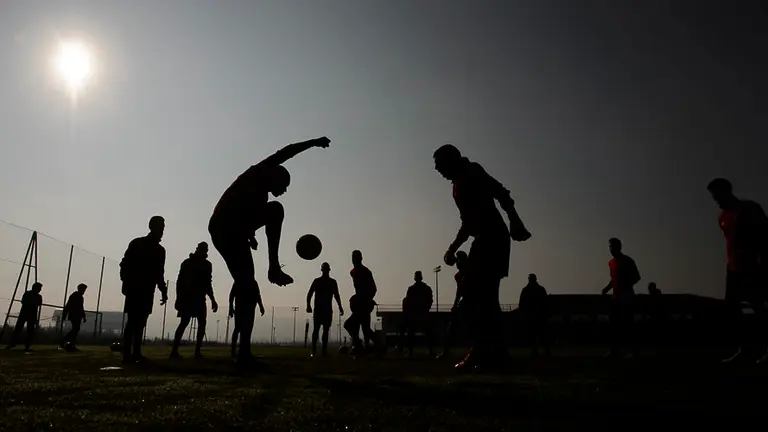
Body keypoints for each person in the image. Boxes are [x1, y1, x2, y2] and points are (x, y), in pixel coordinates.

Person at [208, 137, 330, 365]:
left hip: (230, 228)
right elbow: (288, 151)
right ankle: (274, 267)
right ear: (276, 176)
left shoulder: (258, 193)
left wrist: (250, 236)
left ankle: (244, 351)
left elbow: (244, 212)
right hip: (225, 226)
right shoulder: (262, 170)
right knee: (276, 210)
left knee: (248, 286)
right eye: (284, 186)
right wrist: (314, 142)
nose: (284, 191)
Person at [434, 144, 531, 371]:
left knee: (476, 297)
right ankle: (495, 354)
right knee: (485, 300)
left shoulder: (472, 172)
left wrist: (515, 220)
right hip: (483, 239)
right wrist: (452, 247)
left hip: (493, 238)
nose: (437, 170)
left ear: (451, 160)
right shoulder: (457, 184)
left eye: (439, 164)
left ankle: (481, 351)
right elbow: (467, 222)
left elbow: (500, 193)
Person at [707, 178, 768, 364]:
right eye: (713, 197)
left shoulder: (748, 209)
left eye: (718, 195)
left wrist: (761, 261)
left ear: (727, 191)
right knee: (733, 311)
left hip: (752, 266)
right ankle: (745, 349)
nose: (716, 200)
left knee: (758, 307)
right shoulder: (722, 218)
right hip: (733, 268)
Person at [120, 216, 168, 364]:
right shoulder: (138, 244)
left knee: (140, 321)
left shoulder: (159, 250)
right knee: (133, 321)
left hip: (147, 290)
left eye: (163, 227)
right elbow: (125, 264)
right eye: (161, 226)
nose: (162, 230)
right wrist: (126, 282)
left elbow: (159, 272)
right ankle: (128, 354)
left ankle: (134, 353)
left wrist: (163, 289)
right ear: (152, 226)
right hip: (136, 288)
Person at [170, 242, 219, 360]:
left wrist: (212, 299)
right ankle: (175, 351)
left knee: (200, 323)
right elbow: (180, 282)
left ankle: (196, 351)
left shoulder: (206, 265)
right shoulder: (188, 263)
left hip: (198, 298)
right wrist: (178, 298)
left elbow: (208, 283)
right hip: (188, 297)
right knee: (185, 322)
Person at [601, 238, 641, 358]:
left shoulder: (627, 261)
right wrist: (607, 289)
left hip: (627, 298)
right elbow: (613, 279)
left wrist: (626, 285)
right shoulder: (611, 263)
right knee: (613, 325)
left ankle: (634, 350)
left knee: (628, 324)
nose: (611, 249)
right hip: (615, 298)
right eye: (610, 246)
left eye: (613, 246)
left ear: (619, 247)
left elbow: (637, 277)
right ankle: (615, 350)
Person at [306, 262, 344, 357]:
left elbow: (336, 295)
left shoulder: (330, 282)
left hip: (324, 310)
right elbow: (310, 294)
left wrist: (340, 306)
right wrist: (308, 305)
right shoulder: (320, 281)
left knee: (323, 330)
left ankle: (321, 351)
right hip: (320, 310)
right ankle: (316, 351)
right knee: (318, 330)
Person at [343, 250, 377, 354]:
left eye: (356, 257)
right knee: (361, 326)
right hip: (359, 303)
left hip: (364, 303)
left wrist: (367, 299)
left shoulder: (365, 271)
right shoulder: (353, 272)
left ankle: (363, 344)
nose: (353, 260)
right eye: (353, 257)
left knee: (357, 326)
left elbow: (373, 288)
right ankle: (359, 345)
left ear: (361, 258)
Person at [437, 251, 468, 359]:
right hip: (465, 302)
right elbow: (459, 291)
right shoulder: (458, 276)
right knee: (451, 326)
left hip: (474, 301)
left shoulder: (471, 272)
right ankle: (446, 351)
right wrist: (455, 304)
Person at [400, 271, 434, 357]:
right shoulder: (425, 288)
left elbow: (407, 301)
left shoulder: (413, 289)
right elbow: (430, 300)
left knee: (412, 333)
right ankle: (429, 351)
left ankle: (411, 351)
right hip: (420, 313)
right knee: (424, 333)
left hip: (416, 313)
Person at [6, 282, 43, 352]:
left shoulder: (37, 296)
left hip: (29, 315)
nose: (40, 290)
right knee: (19, 329)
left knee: (29, 331)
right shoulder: (29, 294)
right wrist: (32, 303)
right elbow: (24, 301)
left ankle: (26, 346)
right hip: (25, 314)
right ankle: (12, 344)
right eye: (39, 288)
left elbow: (38, 303)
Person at [519, 274, 550, 356]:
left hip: (532, 315)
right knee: (541, 333)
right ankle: (543, 350)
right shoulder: (540, 289)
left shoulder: (526, 290)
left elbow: (521, 304)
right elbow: (546, 303)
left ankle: (536, 350)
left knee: (534, 334)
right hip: (538, 315)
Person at [61, 283, 87, 350]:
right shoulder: (74, 296)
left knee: (76, 329)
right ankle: (66, 341)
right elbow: (68, 306)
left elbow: (81, 308)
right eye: (83, 290)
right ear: (79, 289)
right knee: (75, 329)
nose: (84, 291)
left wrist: (83, 316)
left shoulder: (81, 297)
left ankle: (69, 343)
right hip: (74, 315)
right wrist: (64, 315)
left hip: (78, 316)